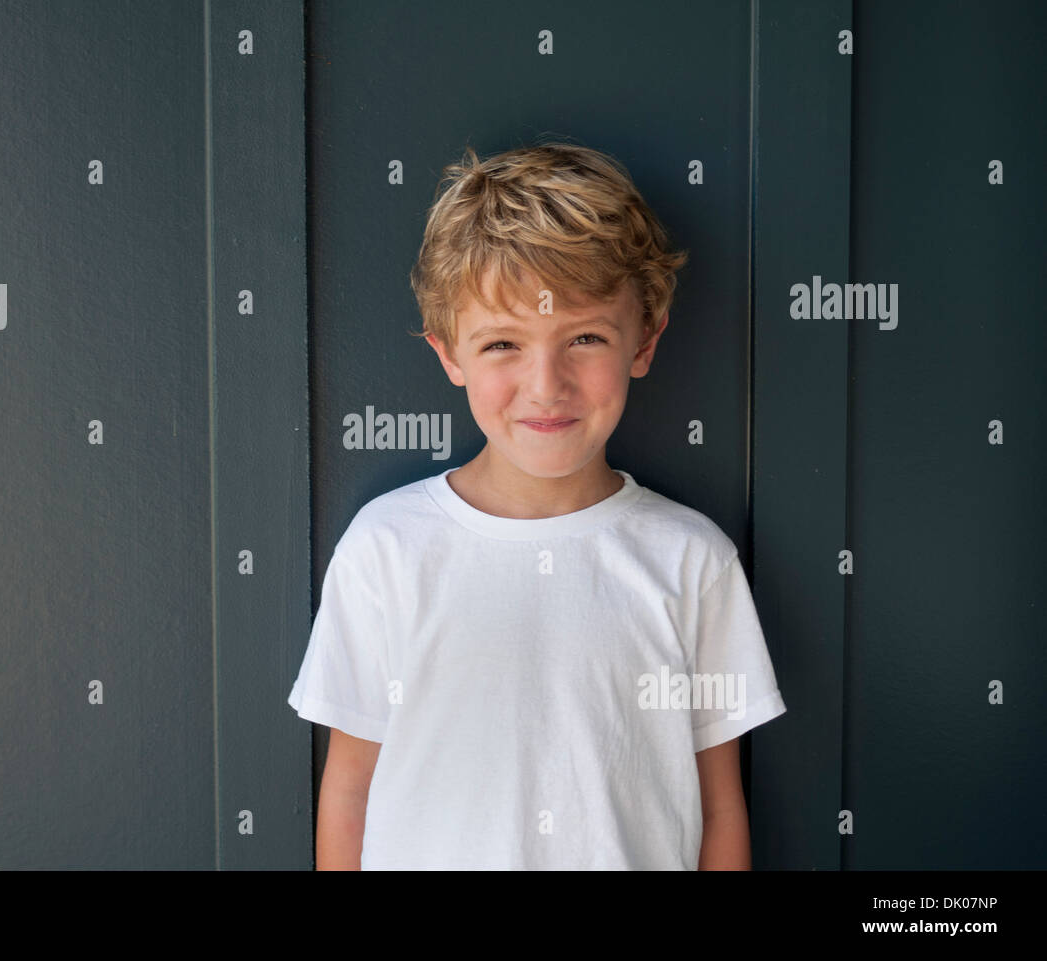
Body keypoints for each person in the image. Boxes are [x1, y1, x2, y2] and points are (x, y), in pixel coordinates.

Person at [287, 141, 787, 870]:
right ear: (448, 354)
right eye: (502, 345)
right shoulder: (387, 549)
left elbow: (718, 806)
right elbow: (351, 790)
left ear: (644, 340)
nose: (546, 385)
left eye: (584, 337)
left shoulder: (692, 560)